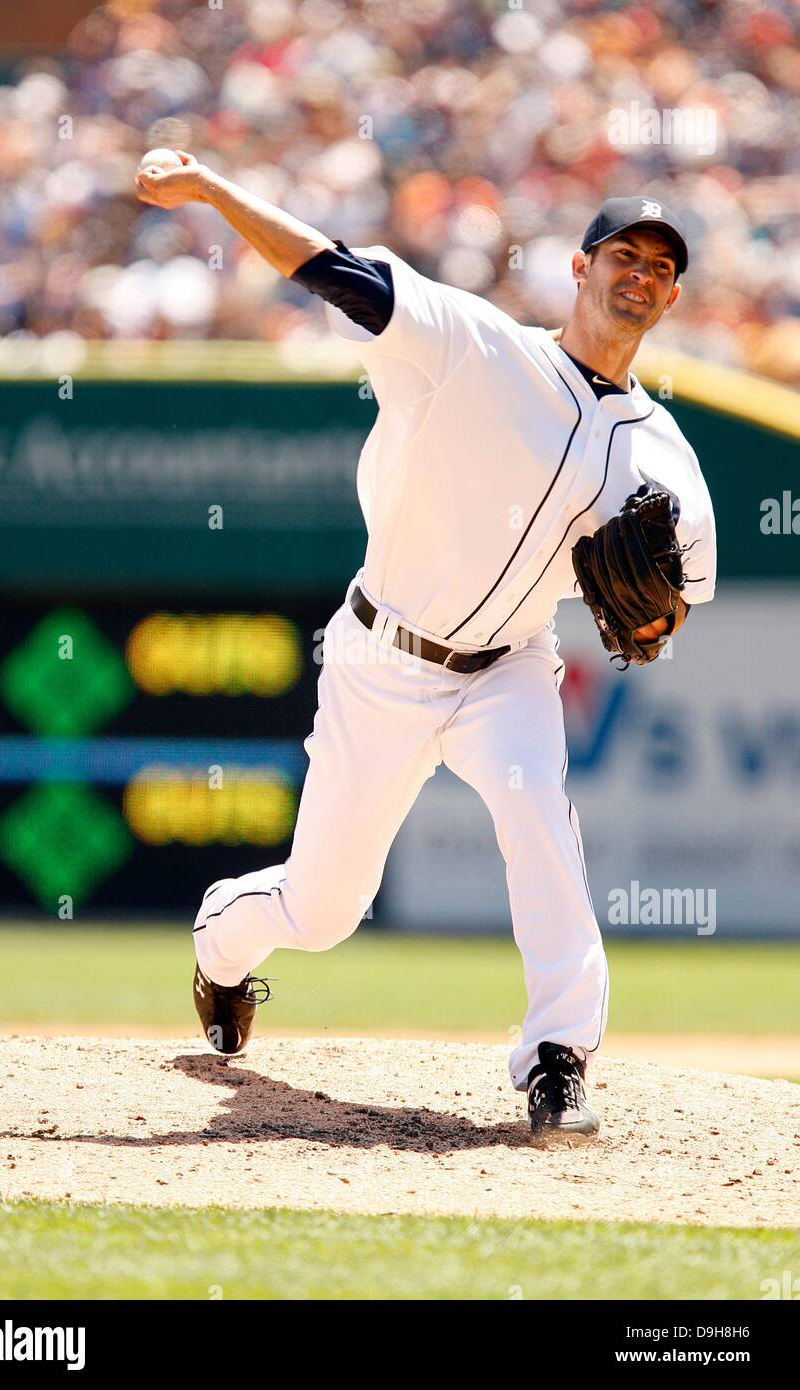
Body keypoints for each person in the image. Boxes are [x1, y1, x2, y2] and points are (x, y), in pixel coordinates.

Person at [136, 157, 716, 1141]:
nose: (643, 275)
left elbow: (676, 604)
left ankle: (557, 1057)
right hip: (381, 659)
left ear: (671, 296)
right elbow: (331, 269)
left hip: (508, 668)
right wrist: (215, 191)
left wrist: (654, 624)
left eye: (662, 267)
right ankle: (220, 942)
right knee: (322, 909)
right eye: (625, 254)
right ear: (580, 268)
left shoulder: (665, 456)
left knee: (537, 813)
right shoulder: (474, 345)